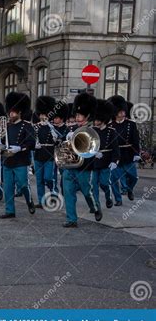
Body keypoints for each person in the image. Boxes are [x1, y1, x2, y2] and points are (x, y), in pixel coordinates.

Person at [61, 93, 101, 228]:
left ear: (87, 115)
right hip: (70, 165)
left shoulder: (93, 130)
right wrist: (65, 138)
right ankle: (71, 219)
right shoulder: (71, 128)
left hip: (85, 166)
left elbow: (95, 146)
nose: (76, 117)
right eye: (76, 115)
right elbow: (63, 144)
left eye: (79, 115)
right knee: (68, 192)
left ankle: (95, 207)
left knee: (86, 191)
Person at [0, 92, 36, 219]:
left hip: (21, 160)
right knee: (8, 187)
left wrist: (20, 148)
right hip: (8, 160)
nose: (11, 114)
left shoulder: (27, 126)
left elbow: (31, 142)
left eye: (13, 112)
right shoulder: (7, 127)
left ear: (19, 112)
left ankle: (29, 200)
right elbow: (2, 142)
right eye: (10, 111)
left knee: (23, 184)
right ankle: (10, 210)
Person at [108, 95, 140, 205]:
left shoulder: (131, 124)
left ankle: (129, 189)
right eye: (120, 111)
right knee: (113, 179)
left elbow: (136, 140)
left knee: (134, 177)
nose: (123, 113)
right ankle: (118, 199)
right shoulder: (110, 125)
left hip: (128, 154)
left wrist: (136, 153)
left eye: (123, 111)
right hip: (115, 156)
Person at [92, 99, 120, 210]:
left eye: (98, 120)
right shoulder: (92, 130)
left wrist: (114, 161)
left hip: (106, 161)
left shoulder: (111, 131)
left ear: (103, 120)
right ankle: (96, 206)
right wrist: (93, 153)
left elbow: (115, 148)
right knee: (93, 185)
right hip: (94, 161)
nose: (95, 122)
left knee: (104, 183)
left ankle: (108, 197)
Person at [33, 96, 59, 208]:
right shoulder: (35, 127)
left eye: (45, 115)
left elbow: (59, 141)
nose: (43, 117)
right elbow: (29, 140)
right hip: (38, 155)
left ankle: (53, 193)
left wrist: (56, 138)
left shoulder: (52, 127)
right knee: (39, 180)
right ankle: (41, 201)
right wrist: (34, 145)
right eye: (41, 115)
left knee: (48, 178)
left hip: (49, 155)